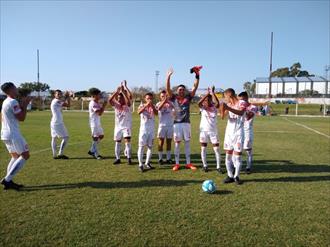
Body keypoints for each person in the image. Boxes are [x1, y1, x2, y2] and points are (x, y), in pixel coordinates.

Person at [166, 66, 201, 171]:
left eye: (183, 89)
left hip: (186, 123)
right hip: (176, 123)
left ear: (184, 91)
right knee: (177, 143)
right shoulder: (173, 98)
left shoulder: (188, 97)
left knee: (187, 143)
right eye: (179, 89)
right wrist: (168, 77)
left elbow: (195, 87)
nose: (181, 91)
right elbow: (168, 89)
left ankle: (188, 163)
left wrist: (197, 75)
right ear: (177, 91)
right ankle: (177, 164)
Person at [0, 82, 31, 190]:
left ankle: (9, 180)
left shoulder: (5, 101)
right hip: (13, 134)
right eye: (14, 87)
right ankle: (7, 180)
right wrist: (25, 106)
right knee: (25, 155)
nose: (16, 89)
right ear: (10, 90)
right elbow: (21, 118)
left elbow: (2, 116)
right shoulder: (13, 101)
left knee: (15, 157)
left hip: (5, 133)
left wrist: (21, 105)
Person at [221, 88, 249, 185]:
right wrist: (222, 108)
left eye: (225, 96)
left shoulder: (241, 102)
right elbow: (222, 117)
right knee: (228, 155)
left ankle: (237, 176)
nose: (225, 99)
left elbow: (241, 113)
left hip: (238, 133)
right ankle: (230, 176)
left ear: (229, 95)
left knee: (237, 156)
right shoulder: (228, 105)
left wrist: (227, 108)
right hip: (229, 133)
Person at [198, 86, 223, 173]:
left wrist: (212, 93)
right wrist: (207, 94)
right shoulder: (202, 108)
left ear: (210, 100)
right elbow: (199, 103)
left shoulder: (214, 107)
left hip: (213, 131)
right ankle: (205, 165)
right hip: (203, 131)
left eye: (208, 100)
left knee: (216, 149)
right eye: (205, 100)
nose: (206, 101)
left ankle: (218, 167)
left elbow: (218, 103)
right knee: (203, 148)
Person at [108, 81, 133, 165]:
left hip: (126, 127)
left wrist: (123, 91)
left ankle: (129, 158)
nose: (118, 99)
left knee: (127, 142)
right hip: (118, 127)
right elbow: (110, 100)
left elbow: (128, 101)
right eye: (118, 98)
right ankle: (118, 158)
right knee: (117, 143)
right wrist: (116, 92)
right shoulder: (116, 104)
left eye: (120, 98)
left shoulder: (127, 105)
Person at [238, 91, 258, 174]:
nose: (241, 102)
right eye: (240, 100)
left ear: (246, 98)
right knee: (238, 150)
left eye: (242, 100)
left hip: (248, 132)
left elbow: (249, 116)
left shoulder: (253, 107)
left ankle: (248, 167)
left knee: (248, 150)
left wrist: (244, 109)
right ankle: (237, 166)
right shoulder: (239, 106)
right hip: (239, 131)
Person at [137, 92, 158, 172]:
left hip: (151, 130)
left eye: (150, 98)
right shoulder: (142, 105)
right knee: (141, 147)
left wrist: (151, 105)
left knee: (150, 147)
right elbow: (138, 112)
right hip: (143, 130)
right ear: (145, 99)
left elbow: (156, 113)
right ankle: (140, 164)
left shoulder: (154, 106)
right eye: (147, 98)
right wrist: (146, 105)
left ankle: (147, 163)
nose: (149, 100)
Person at [50, 90, 70, 159]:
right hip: (58, 123)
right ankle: (60, 154)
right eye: (58, 94)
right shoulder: (57, 101)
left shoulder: (55, 101)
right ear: (54, 95)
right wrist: (68, 97)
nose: (59, 95)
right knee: (66, 137)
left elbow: (64, 103)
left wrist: (66, 97)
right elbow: (68, 105)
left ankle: (54, 155)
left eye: (60, 94)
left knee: (54, 138)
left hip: (54, 122)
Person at [88, 88, 107, 159]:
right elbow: (99, 113)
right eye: (98, 94)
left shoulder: (96, 102)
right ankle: (96, 154)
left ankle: (92, 150)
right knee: (95, 138)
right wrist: (104, 104)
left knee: (101, 136)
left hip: (97, 123)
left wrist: (103, 101)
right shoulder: (93, 103)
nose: (100, 96)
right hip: (94, 124)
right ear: (94, 95)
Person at [156, 90, 174, 165]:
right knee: (161, 142)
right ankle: (160, 159)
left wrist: (168, 102)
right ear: (160, 97)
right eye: (162, 96)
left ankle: (168, 158)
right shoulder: (158, 103)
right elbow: (158, 108)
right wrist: (164, 101)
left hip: (170, 125)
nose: (164, 97)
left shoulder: (171, 103)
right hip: (162, 126)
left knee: (169, 142)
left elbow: (174, 108)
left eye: (165, 96)